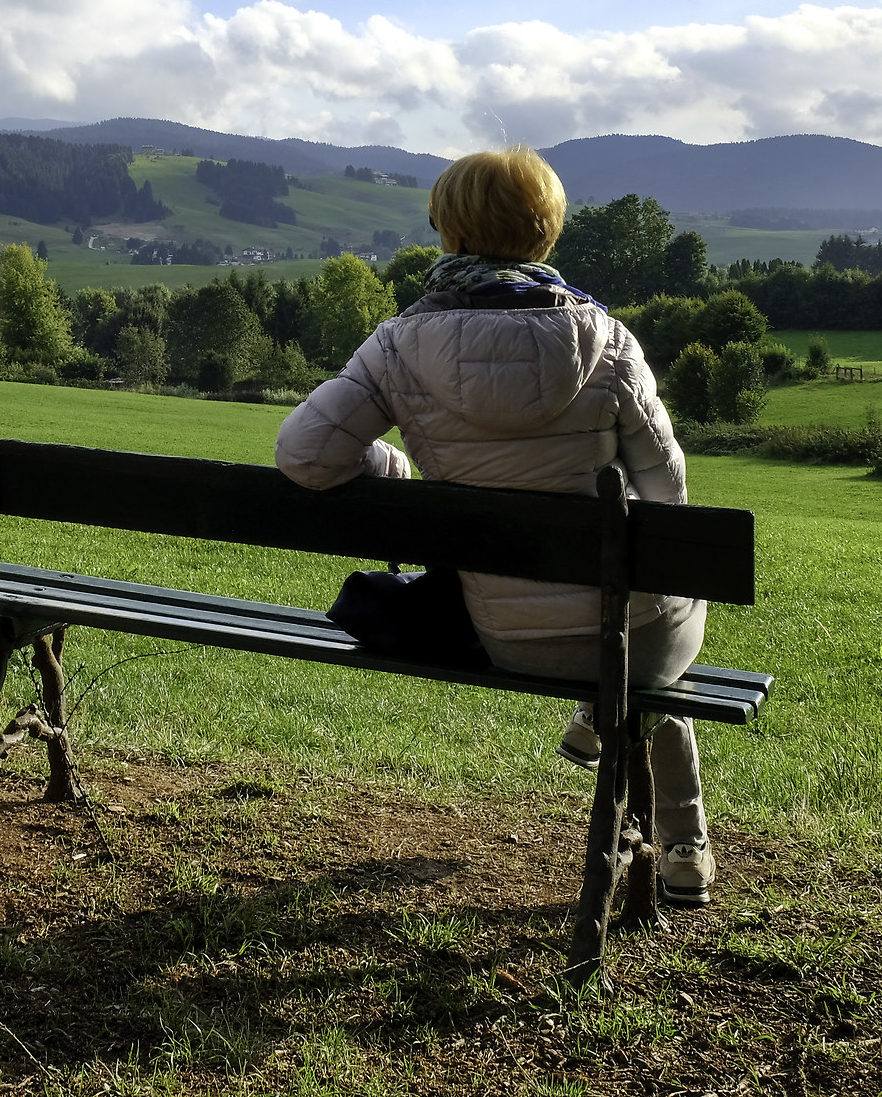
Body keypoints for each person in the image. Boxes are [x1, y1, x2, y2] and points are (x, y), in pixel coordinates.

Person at [273, 145, 715, 905]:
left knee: (626, 637)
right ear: (546, 234)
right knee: (656, 633)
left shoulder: (397, 346)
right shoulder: (609, 342)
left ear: (448, 233)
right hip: (634, 638)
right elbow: (668, 492)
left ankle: (597, 721)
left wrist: (395, 472)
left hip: (512, 638)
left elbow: (306, 456)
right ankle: (684, 848)